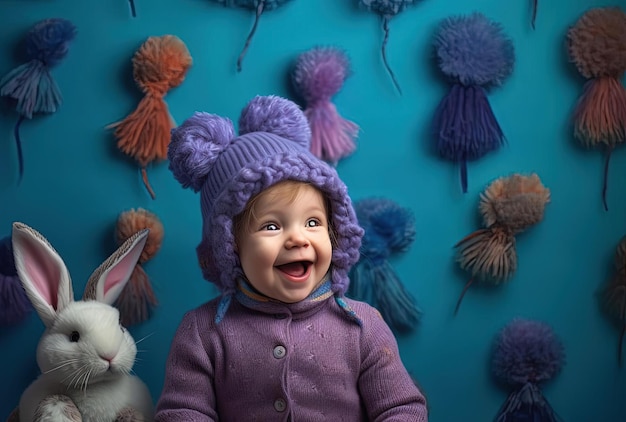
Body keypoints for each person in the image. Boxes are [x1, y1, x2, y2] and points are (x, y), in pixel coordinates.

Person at [155, 95, 428, 421]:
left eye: (313, 222)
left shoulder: (362, 326)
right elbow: (183, 411)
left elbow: (401, 409)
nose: (298, 238)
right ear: (230, 248)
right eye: (271, 226)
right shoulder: (203, 332)